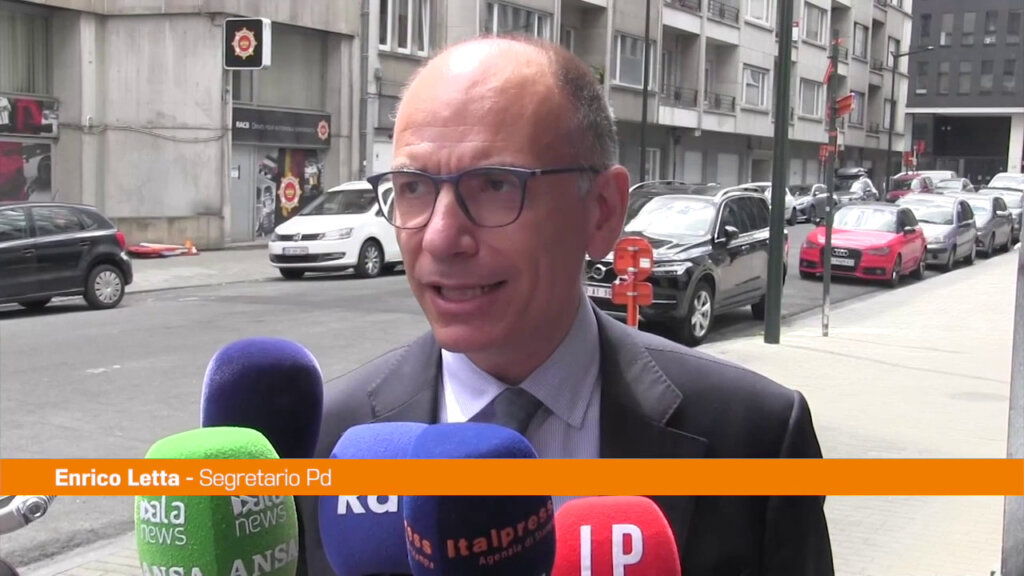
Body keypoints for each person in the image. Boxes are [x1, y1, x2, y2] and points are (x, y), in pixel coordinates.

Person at [297, 35, 834, 575]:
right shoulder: (323, 440)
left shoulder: (755, 438)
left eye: (494, 185)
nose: (439, 238)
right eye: (413, 188)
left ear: (602, 210)